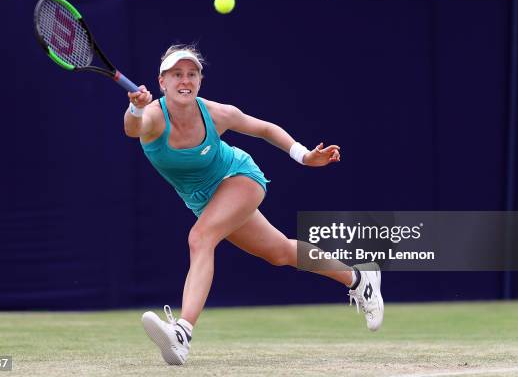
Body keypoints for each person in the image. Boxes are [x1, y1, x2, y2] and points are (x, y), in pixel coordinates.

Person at [124, 44, 384, 366]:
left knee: (200, 238)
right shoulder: (151, 117)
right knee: (280, 252)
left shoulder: (217, 113)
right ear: (162, 82)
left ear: (200, 81)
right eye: (176, 74)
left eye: (192, 74)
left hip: (240, 177)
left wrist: (304, 156)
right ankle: (360, 280)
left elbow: (264, 129)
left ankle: (182, 334)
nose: (185, 80)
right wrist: (135, 108)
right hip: (204, 199)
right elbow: (132, 128)